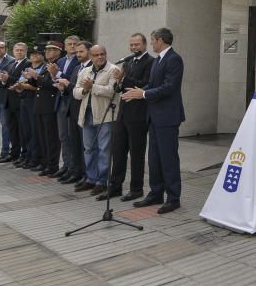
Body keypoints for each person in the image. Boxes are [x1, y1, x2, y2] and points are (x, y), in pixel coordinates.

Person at [122, 27, 185, 214]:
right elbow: (153, 84)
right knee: (154, 158)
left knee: (168, 158)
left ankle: (173, 198)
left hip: (167, 117)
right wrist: (137, 92)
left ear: (160, 40)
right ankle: (156, 193)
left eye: (152, 40)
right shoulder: (159, 59)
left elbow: (169, 87)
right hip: (154, 116)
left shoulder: (174, 59)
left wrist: (144, 94)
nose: (151, 44)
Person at [109, 33, 154, 201]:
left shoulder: (151, 62)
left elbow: (143, 84)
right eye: (131, 45)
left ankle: (136, 189)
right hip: (122, 113)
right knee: (118, 151)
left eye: (137, 44)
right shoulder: (127, 62)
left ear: (144, 45)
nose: (134, 48)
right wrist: (117, 81)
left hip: (138, 114)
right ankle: (115, 186)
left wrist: (125, 78)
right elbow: (120, 88)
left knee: (136, 154)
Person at [74, 45, 120, 196]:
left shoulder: (113, 70)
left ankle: (102, 182)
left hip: (104, 116)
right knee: (89, 149)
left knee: (103, 150)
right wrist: (85, 90)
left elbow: (111, 91)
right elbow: (76, 93)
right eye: (96, 55)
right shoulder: (85, 71)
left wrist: (92, 86)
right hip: (86, 115)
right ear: (91, 57)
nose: (100, 57)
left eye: (102, 54)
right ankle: (91, 179)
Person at [59, 41, 92, 185]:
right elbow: (72, 90)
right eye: (77, 52)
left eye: (81, 52)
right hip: (72, 110)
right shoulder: (77, 67)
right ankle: (77, 171)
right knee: (75, 143)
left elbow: (84, 90)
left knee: (85, 145)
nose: (78, 54)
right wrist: (63, 88)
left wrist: (68, 85)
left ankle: (86, 174)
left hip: (83, 111)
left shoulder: (92, 68)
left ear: (89, 52)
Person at [51, 35, 81, 180]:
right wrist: (54, 76)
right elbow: (56, 80)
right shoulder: (61, 60)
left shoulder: (79, 61)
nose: (73, 46)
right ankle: (66, 165)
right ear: (65, 46)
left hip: (72, 101)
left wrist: (56, 73)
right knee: (62, 136)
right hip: (60, 100)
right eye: (69, 44)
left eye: (75, 44)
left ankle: (74, 167)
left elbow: (70, 80)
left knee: (71, 136)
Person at [31, 42, 63, 176]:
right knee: (42, 136)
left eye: (52, 50)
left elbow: (52, 83)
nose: (48, 52)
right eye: (47, 50)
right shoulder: (46, 65)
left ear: (59, 51)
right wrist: (32, 78)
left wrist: (37, 76)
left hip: (49, 105)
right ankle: (45, 162)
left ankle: (52, 165)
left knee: (51, 138)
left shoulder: (58, 64)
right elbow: (39, 83)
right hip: (40, 104)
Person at [3, 43, 32, 166]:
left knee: (23, 130)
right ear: (13, 51)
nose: (19, 52)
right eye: (17, 50)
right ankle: (14, 153)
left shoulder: (28, 64)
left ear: (25, 51)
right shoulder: (10, 64)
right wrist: (3, 79)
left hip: (21, 101)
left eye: (21, 50)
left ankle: (24, 154)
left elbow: (22, 80)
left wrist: (7, 78)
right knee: (12, 129)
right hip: (9, 101)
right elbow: (7, 82)